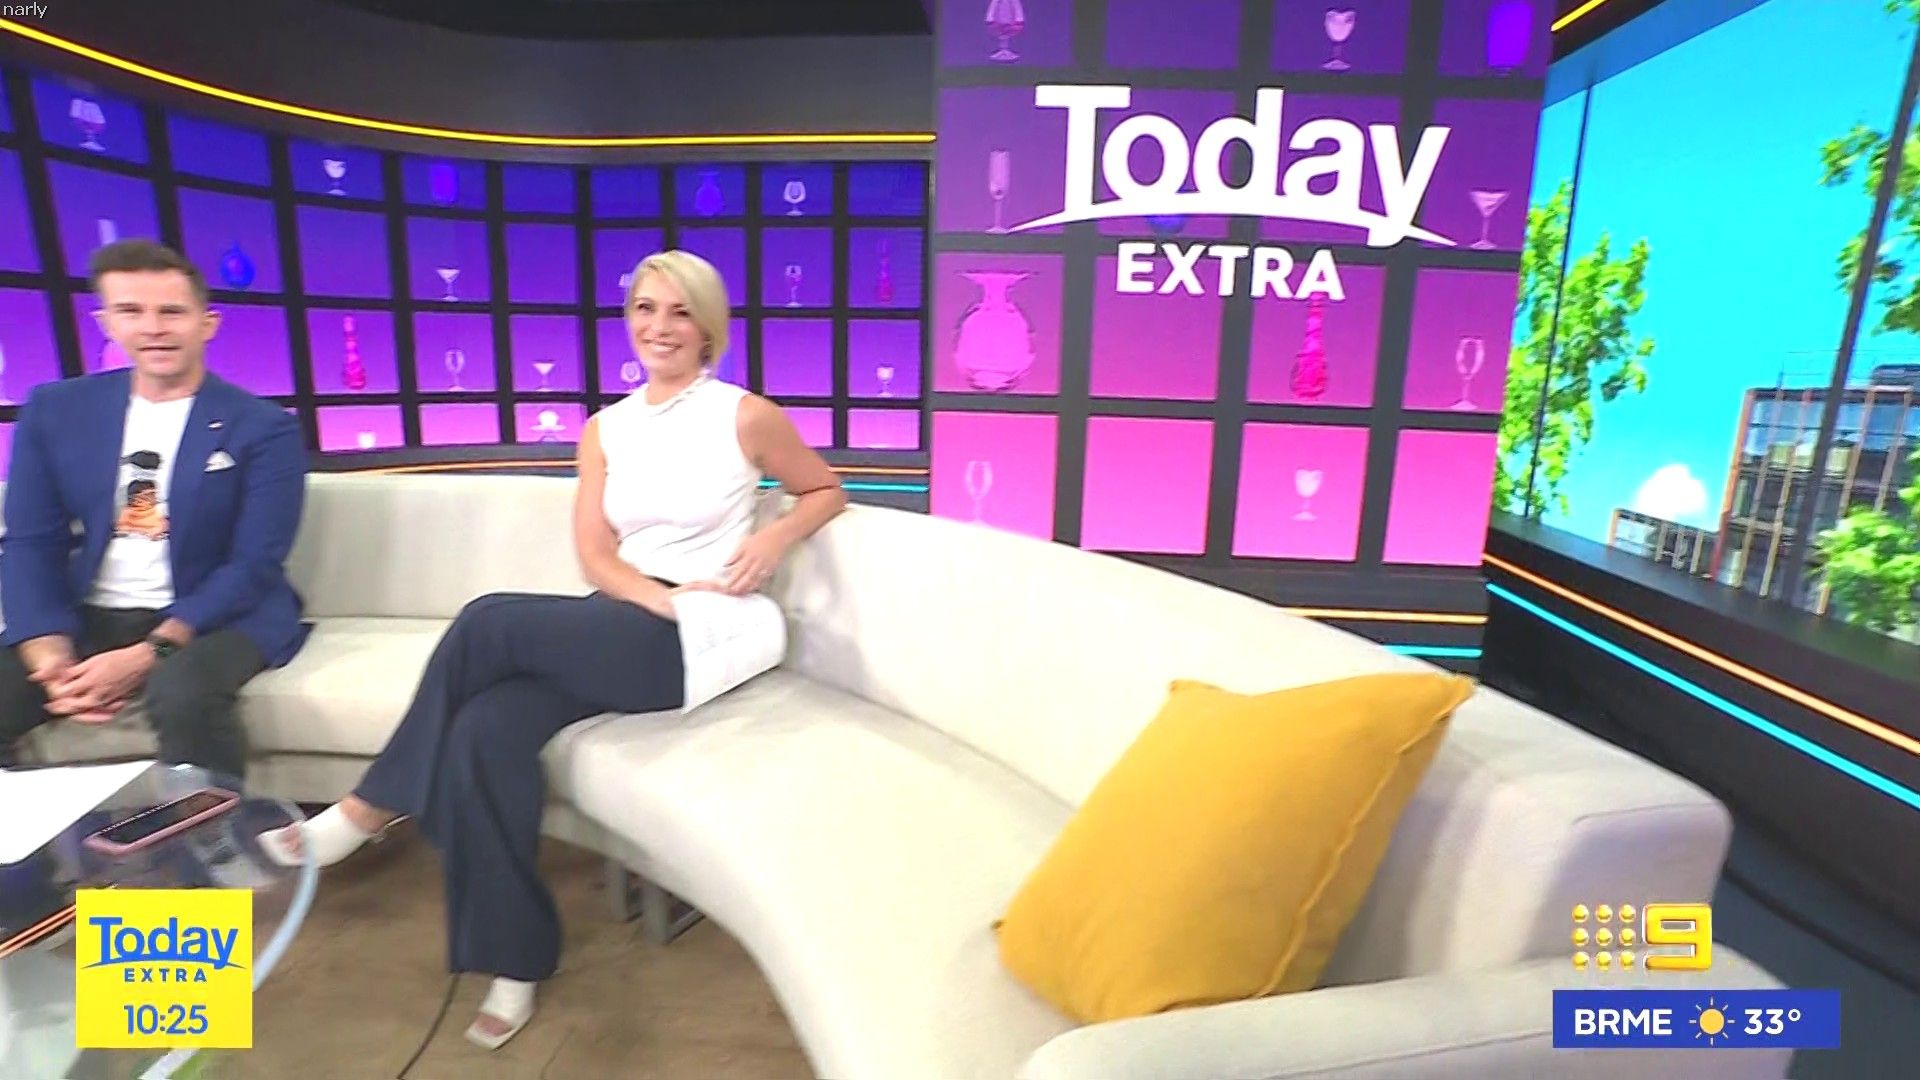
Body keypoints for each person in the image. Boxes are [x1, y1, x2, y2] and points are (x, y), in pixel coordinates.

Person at [261, 250, 849, 1051]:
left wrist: (775, 537)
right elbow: (595, 554)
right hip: (628, 613)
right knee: (484, 732)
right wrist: (648, 597)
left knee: (487, 621)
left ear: (709, 326)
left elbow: (825, 488)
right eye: (646, 308)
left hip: (705, 630)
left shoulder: (745, 415)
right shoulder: (605, 429)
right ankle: (515, 962)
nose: (661, 326)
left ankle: (368, 807)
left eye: (680, 312)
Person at [0, 240, 309, 782]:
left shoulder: (263, 426)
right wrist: (46, 655)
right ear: (106, 323)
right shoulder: (55, 410)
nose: (153, 328)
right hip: (90, 612)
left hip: (215, 617)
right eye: (131, 311)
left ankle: (216, 832)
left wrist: (150, 653)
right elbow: (31, 540)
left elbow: (255, 563)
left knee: (183, 693)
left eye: (171, 311)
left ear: (207, 323)